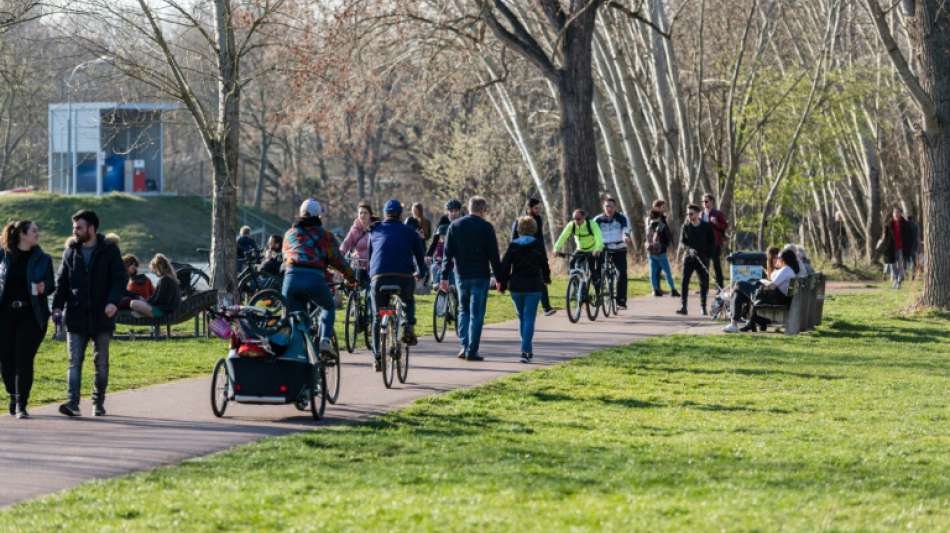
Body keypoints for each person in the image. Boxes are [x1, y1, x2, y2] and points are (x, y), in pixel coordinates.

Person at [53, 210, 127, 417]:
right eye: (74, 227)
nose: (75, 231)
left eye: (79, 227)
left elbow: (119, 280)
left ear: (92, 229)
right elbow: (62, 283)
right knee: (74, 361)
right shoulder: (70, 252)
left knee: (101, 363)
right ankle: (73, 403)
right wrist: (57, 307)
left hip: (102, 316)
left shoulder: (109, 251)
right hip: (76, 316)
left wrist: (113, 302)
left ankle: (98, 402)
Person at [282, 199, 356, 356]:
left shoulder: (289, 234)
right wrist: (351, 277)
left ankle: (300, 351)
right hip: (314, 279)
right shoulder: (326, 236)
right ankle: (324, 340)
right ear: (318, 216)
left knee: (297, 319)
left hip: (291, 280)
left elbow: (285, 256)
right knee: (328, 306)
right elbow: (338, 260)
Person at [0, 220, 54, 419]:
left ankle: (22, 403)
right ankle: (12, 396)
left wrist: (44, 288)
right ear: (22, 234)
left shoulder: (43, 259)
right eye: (33, 231)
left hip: (31, 315)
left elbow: (51, 284)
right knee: (6, 360)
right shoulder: (3, 256)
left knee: (23, 359)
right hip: (5, 315)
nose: (37, 234)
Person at [440, 196, 502, 362]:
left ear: (468, 208)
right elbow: (494, 255)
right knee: (477, 314)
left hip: (461, 275)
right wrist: (498, 276)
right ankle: (471, 350)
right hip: (480, 275)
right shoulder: (486, 227)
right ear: (482, 210)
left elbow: (447, 255)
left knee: (463, 310)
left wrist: (444, 277)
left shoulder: (455, 226)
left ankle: (464, 344)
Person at [368, 200, 427, 366]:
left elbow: (371, 256)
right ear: (401, 214)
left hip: (379, 278)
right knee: (408, 300)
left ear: (385, 213)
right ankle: (407, 324)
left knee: (377, 317)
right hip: (403, 277)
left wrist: (370, 277)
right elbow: (421, 258)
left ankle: (378, 357)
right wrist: (421, 273)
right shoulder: (410, 232)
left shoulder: (375, 230)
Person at [499, 216, 550, 363]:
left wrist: (502, 284)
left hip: (516, 286)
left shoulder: (513, 245)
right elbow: (544, 264)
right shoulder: (538, 245)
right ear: (534, 228)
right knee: (529, 319)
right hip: (534, 285)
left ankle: (526, 348)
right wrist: (546, 279)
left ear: (519, 229)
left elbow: (505, 265)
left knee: (522, 318)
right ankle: (525, 350)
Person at [510, 198, 556, 316]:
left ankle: (546, 307)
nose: (538, 210)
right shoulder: (519, 221)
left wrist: (543, 255)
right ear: (528, 208)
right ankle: (523, 307)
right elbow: (513, 240)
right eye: (536, 208)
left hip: (536, 254)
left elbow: (540, 238)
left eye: (539, 208)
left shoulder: (538, 219)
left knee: (541, 279)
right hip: (521, 256)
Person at [740, 247, 801, 332]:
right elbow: (773, 279)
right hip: (783, 298)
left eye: (779, 257)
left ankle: (748, 320)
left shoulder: (786, 270)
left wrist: (764, 284)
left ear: (784, 259)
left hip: (778, 299)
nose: (777, 259)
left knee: (742, 286)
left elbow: (772, 286)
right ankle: (751, 321)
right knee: (757, 291)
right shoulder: (789, 270)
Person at [723, 246, 779, 333]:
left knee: (739, 285)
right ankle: (734, 323)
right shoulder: (777, 268)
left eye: (777, 257)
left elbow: (773, 285)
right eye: (774, 258)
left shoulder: (782, 269)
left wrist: (766, 280)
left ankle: (736, 323)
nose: (776, 260)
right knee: (738, 293)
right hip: (765, 293)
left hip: (768, 295)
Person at [594, 197, 632, 310]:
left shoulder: (622, 217)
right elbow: (593, 233)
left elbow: (626, 229)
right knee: (596, 272)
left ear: (615, 207)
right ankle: (598, 295)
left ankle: (621, 301)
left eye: (611, 206)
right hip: (603, 248)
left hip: (619, 248)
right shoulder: (598, 219)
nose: (609, 208)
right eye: (607, 206)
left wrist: (625, 237)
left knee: (622, 273)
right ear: (603, 207)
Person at [676, 204, 715, 316]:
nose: (689, 216)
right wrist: (689, 249)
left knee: (704, 283)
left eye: (691, 213)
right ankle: (684, 307)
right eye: (688, 214)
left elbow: (712, 243)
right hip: (689, 258)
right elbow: (682, 242)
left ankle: (703, 307)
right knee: (685, 282)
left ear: (698, 214)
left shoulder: (706, 227)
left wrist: (708, 256)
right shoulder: (686, 226)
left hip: (703, 258)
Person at [554, 208, 604, 287]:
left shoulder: (592, 224)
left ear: (584, 217)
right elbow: (563, 237)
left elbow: (599, 237)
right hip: (580, 249)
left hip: (592, 250)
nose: (576, 221)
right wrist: (556, 248)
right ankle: (576, 286)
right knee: (572, 262)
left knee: (593, 271)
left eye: (578, 219)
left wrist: (598, 249)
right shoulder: (572, 225)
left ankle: (597, 290)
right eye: (574, 219)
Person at [129, 254, 180, 319]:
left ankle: (143, 314)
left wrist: (145, 302)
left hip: (162, 312)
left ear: (158, 268)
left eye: (154, 270)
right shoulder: (171, 278)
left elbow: (158, 300)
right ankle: (142, 314)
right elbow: (159, 298)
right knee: (138, 304)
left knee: (133, 303)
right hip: (168, 310)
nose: (154, 272)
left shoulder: (164, 280)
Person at [340, 202, 377, 289]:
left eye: (365, 213)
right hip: (358, 263)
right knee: (351, 278)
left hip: (372, 264)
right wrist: (340, 253)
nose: (363, 215)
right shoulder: (354, 229)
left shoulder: (376, 228)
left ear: (370, 215)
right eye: (361, 213)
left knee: (370, 287)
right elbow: (346, 242)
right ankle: (354, 297)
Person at [646, 201, 679, 298]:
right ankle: (672, 289)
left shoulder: (648, 223)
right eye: (662, 207)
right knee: (667, 272)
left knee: (652, 272)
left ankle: (655, 289)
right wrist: (667, 245)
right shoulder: (661, 224)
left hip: (651, 250)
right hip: (661, 251)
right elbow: (667, 236)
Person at [877, 206, 914, 289]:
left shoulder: (905, 224)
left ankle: (899, 281)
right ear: (892, 214)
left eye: (898, 212)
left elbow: (910, 237)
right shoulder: (888, 224)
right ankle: (895, 281)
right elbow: (884, 236)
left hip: (901, 248)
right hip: (891, 248)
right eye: (895, 212)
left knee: (900, 265)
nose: (896, 214)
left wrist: (909, 247)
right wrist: (882, 244)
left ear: (901, 214)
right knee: (893, 266)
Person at [702, 194, 729, 289]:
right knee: (704, 266)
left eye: (706, 201)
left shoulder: (717, 213)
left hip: (715, 243)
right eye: (703, 202)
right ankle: (704, 286)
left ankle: (720, 286)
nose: (704, 203)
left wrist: (716, 223)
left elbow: (725, 226)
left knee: (716, 265)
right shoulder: (701, 214)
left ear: (712, 202)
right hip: (704, 244)